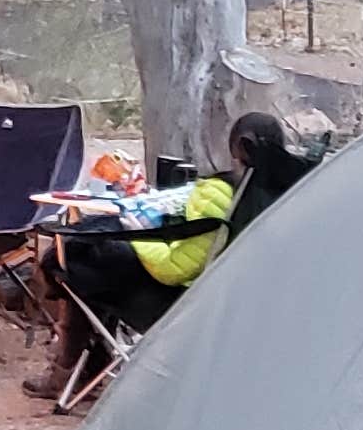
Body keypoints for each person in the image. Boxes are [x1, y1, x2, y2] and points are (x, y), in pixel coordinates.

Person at [26, 111, 292, 398]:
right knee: (96, 266)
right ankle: (85, 368)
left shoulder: (222, 192)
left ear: (235, 147)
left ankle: (71, 371)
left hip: (180, 305)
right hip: (237, 305)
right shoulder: (288, 192)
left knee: (75, 258)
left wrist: (137, 235)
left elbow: (174, 269)